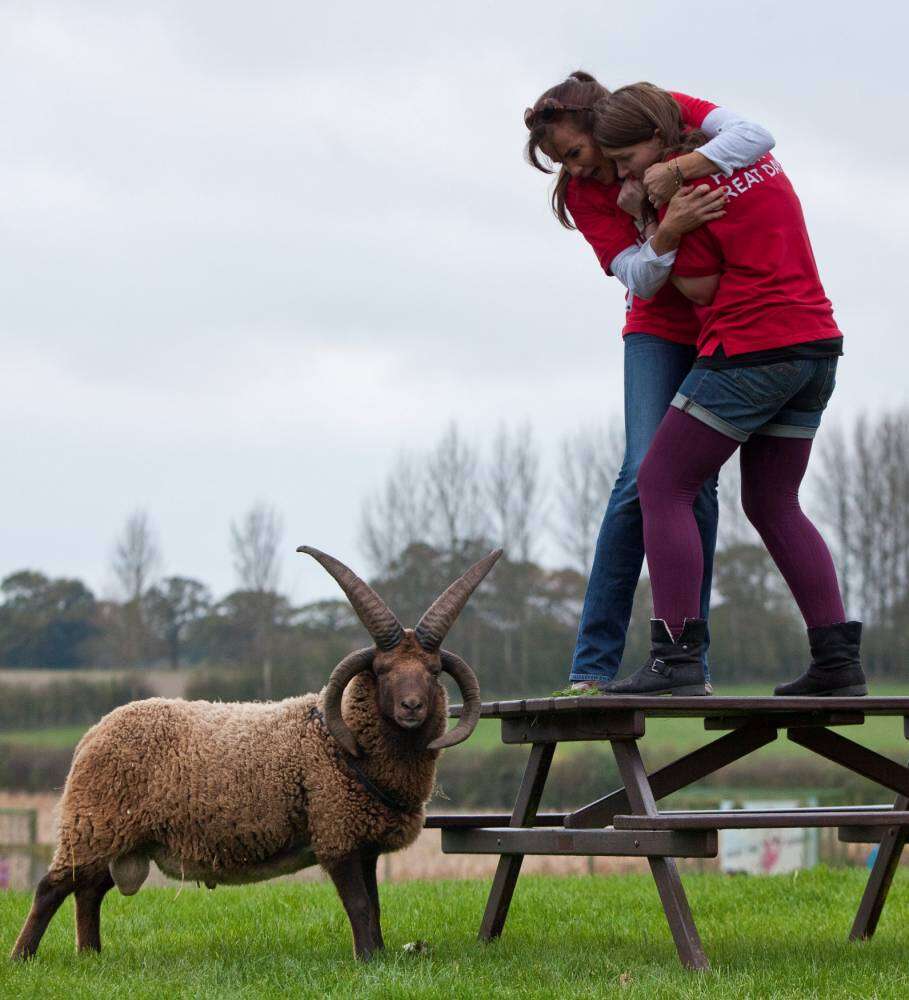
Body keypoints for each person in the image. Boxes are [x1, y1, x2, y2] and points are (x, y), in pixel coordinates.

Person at [591, 82, 865, 697]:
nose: (620, 173)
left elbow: (697, 291)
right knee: (773, 502)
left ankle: (676, 658)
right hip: (816, 346)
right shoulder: (756, 162)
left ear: (659, 141)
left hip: (750, 351)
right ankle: (838, 662)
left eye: (626, 159)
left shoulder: (682, 196)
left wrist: (651, 217)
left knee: (663, 482)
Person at [524, 72, 776, 693]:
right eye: (561, 163)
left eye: (575, 153)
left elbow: (756, 136)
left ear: (597, 125)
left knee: (696, 488)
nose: (574, 171)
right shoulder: (584, 196)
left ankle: (689, 662)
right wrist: (663, 232)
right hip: (660, 329)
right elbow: (639, 278)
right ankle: (592, 667)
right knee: (641, 476)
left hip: (724, 322)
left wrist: (679, 169)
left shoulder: (661, 113)